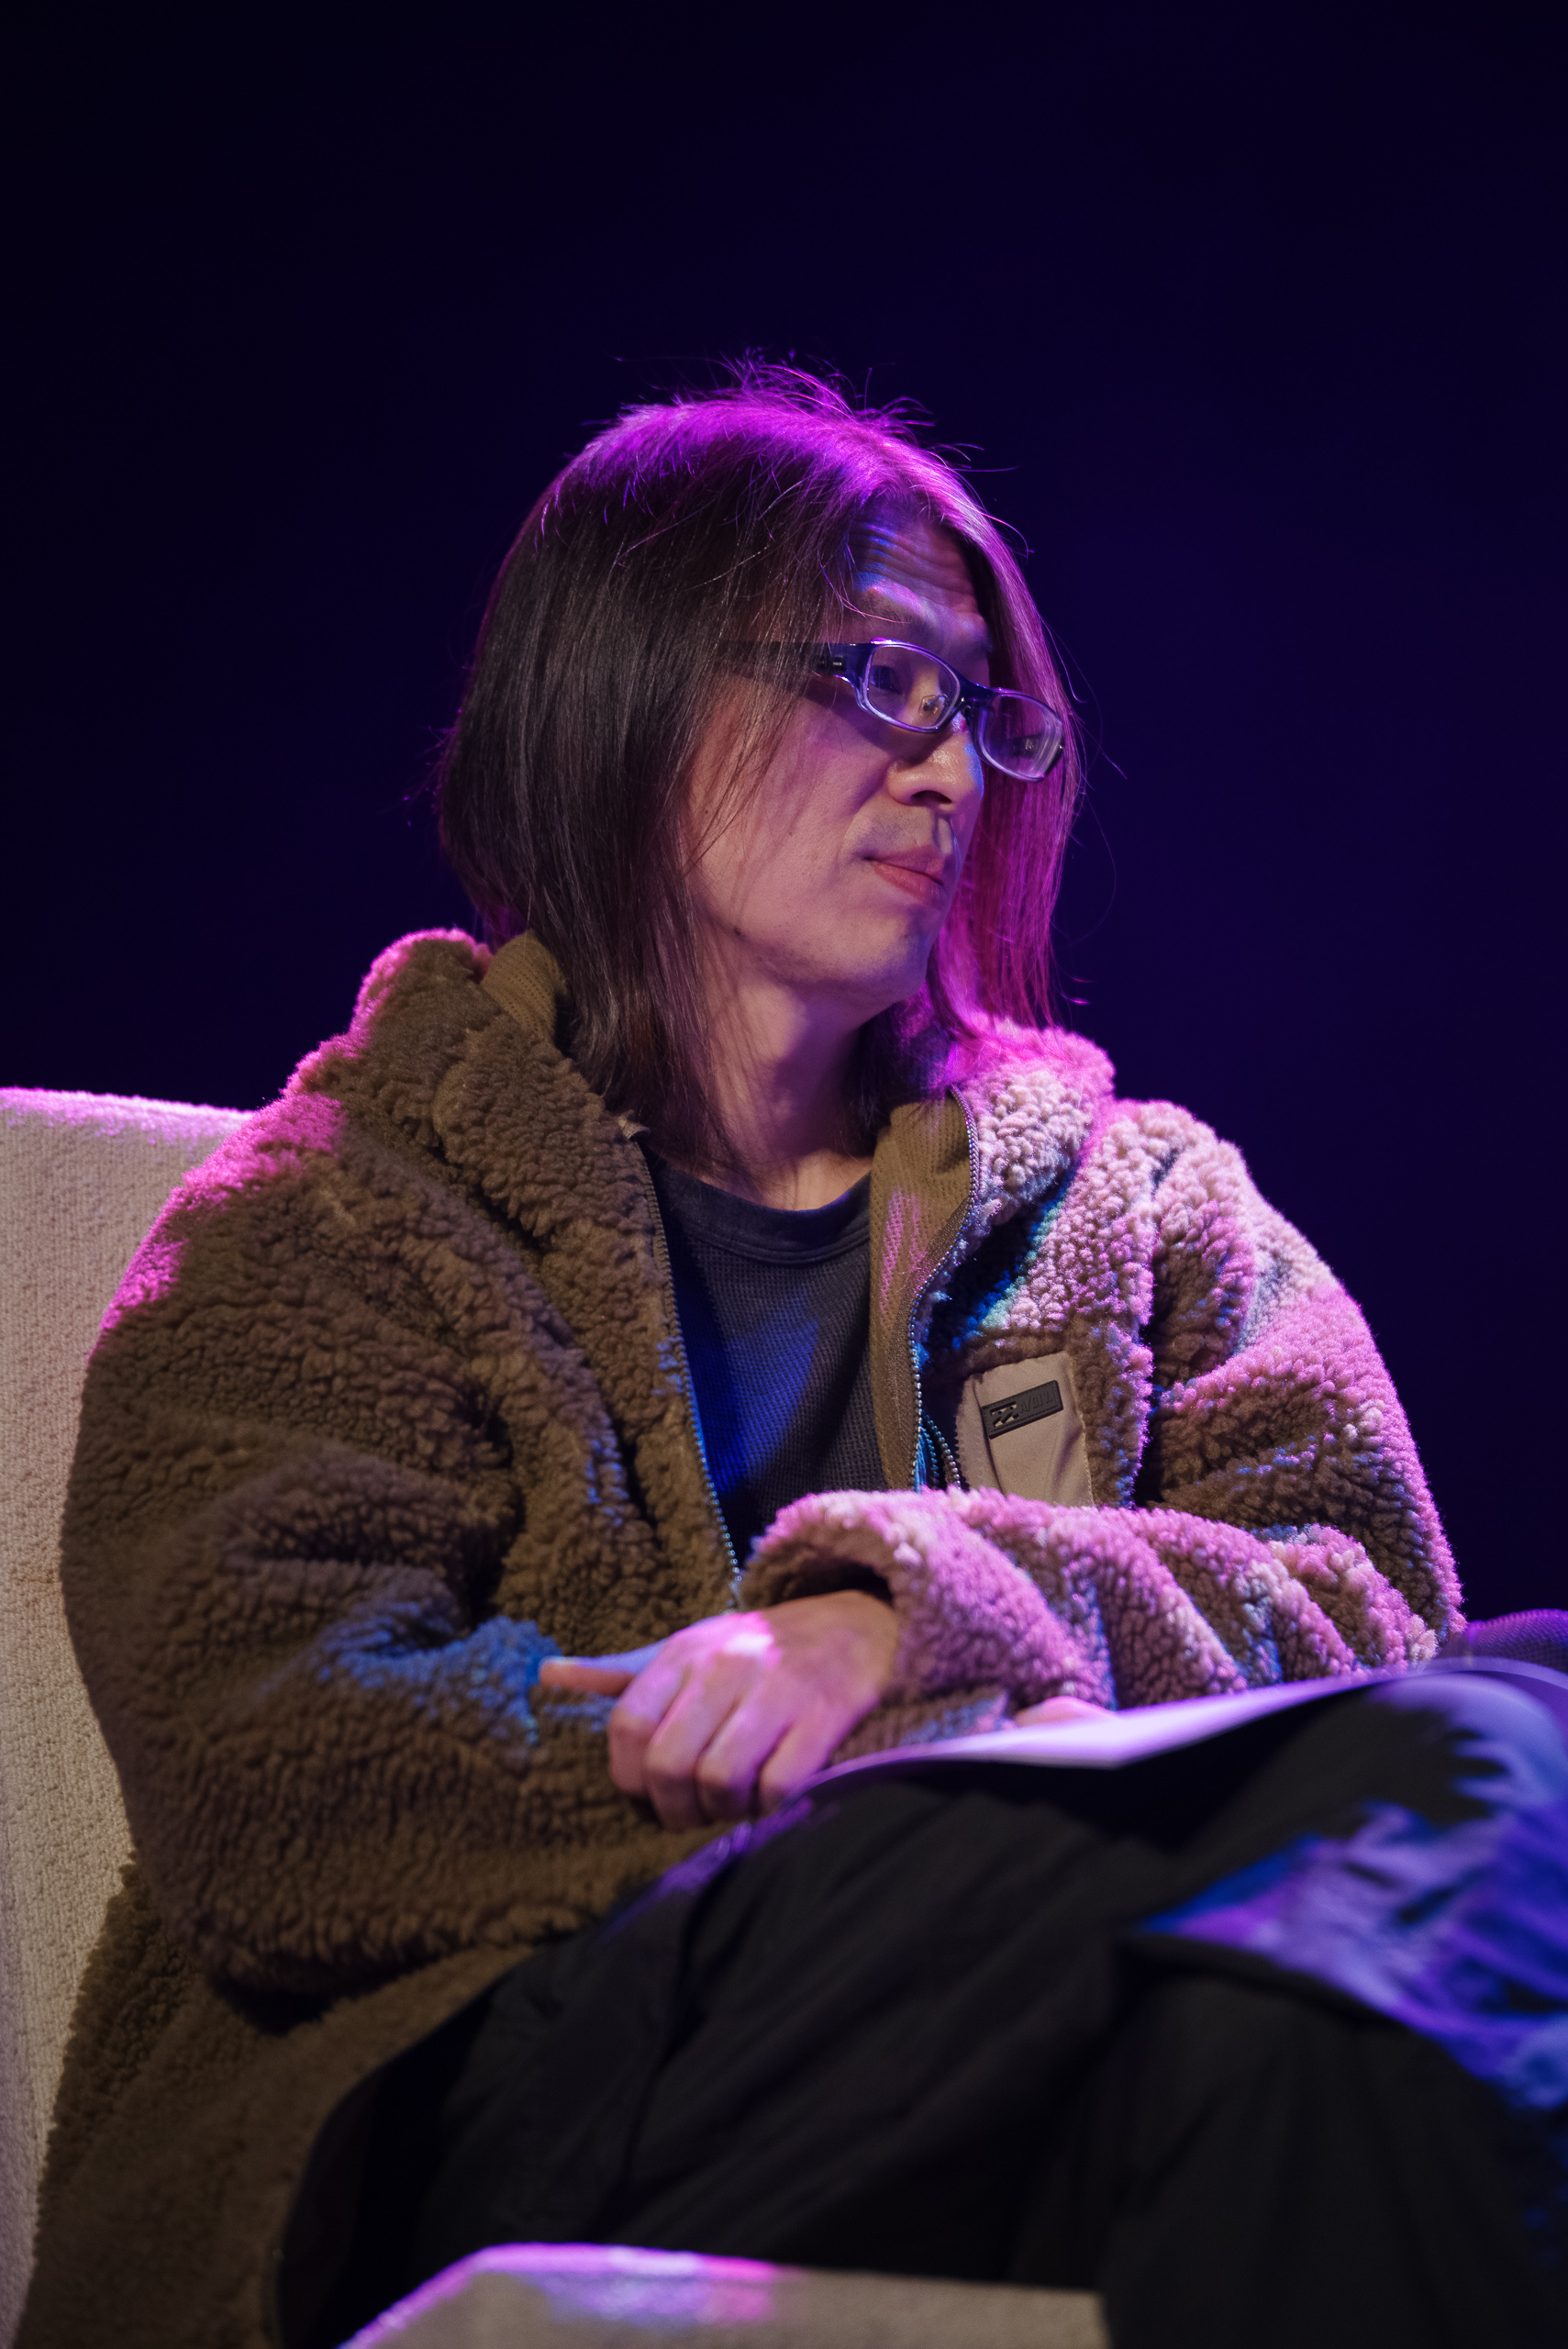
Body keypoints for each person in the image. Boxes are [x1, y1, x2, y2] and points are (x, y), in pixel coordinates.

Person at [23, 370, 1567, 2349]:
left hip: (1024, 2000)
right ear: (636, 686)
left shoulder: (1134, 1199)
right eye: (882, 680)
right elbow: (280, 1766)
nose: (951, 775)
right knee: (1469, 1788)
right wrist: (836, 1744)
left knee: (1367, 1942)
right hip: (498, 2065)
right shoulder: (345, 1214)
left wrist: (907, 1620)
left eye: (981, 714)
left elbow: (1372, 1606)